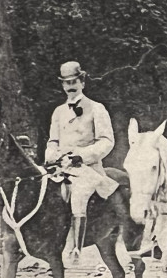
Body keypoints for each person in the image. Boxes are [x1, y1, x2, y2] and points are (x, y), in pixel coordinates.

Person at [44, 60, 120, 265]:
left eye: (74, 82)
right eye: (66, 83)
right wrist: (51, 154)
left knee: (79, 194)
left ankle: (76, 249)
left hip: (87, 168)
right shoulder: (59, 112)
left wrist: (81, 156)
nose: (70, 87)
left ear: (82, 82)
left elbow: (107, 141)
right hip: (61, 167)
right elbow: (53, 140)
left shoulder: (97, 109)